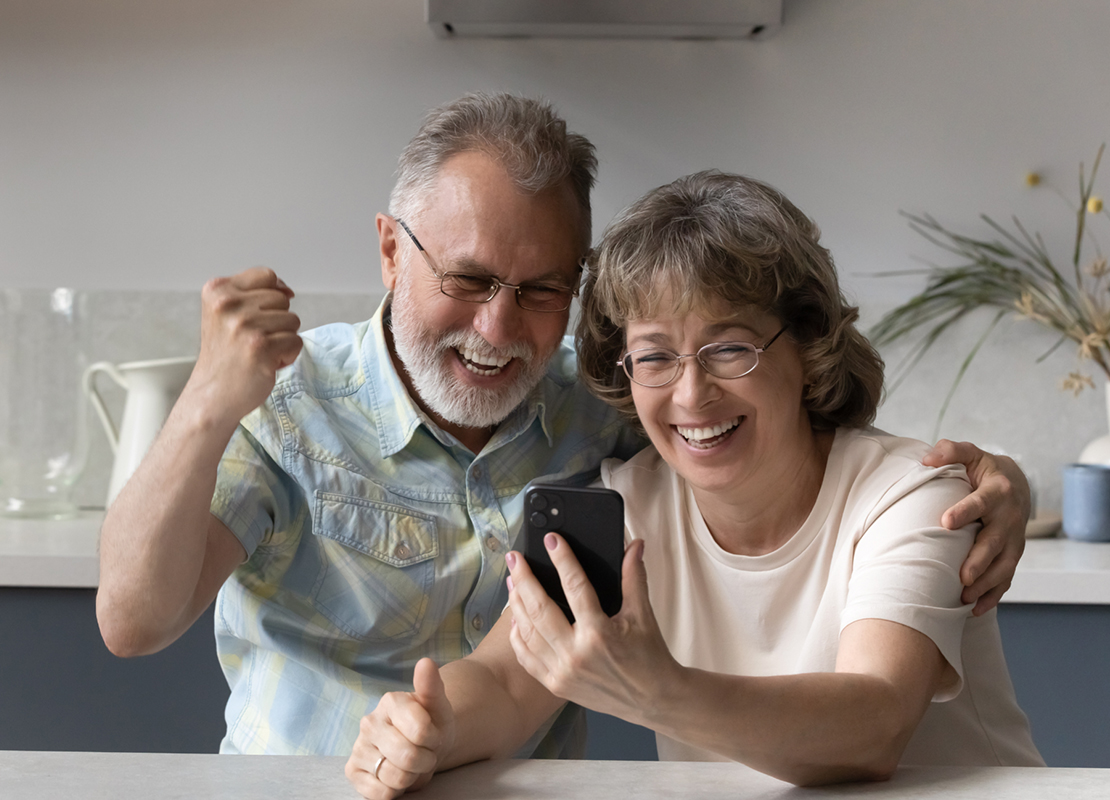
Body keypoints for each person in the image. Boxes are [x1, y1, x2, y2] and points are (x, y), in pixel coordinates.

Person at [96, 93, 1029, 758]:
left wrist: (996, 484)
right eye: (466, 280)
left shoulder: (609, 418)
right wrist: (209, 402)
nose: (500, 329)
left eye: (543, 290)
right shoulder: (290, 401)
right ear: (391, 250)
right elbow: (134, 622)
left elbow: (810, 468)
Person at [346, 171, 1042, 796]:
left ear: (805, 344)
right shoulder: (629, 507)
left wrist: (660, 692)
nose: (691, 393)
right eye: (654, 356)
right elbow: (505, 680)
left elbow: (874, 721)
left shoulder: (910, 497)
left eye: (729, 348)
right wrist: (429, 726)